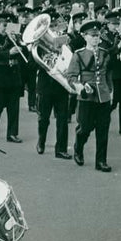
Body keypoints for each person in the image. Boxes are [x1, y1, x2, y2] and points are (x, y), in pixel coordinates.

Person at [66, 19, 114, 172]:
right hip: (86, 98)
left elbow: (107, 73)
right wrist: (81, 86)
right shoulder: (78, 55)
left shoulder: (104, 53)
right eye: (92, 35)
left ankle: (101, 161)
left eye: (97, 35)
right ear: (85, 37)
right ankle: (78, 147)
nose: (95, 38)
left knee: (103, 130)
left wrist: (109, 88)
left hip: (103, 97)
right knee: (85, 128)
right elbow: (71, 77)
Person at [35, 10, 73, 159]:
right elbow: (33, 63)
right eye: (53, 24)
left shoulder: (63, 39)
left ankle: (61, 149)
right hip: (46, 84)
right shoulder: (37, 44)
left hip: (61, 84)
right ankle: (41, 141)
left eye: (56, 23)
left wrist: (66, 47)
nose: (56, 26)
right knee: (44, 117)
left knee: (63, 118)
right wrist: (46, 59)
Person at [0, 12, 24, 142]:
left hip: (13, 74)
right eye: (4, 25)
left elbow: (24, 52)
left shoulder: (14, 37)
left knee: (14, 107)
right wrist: (9, 52)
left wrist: (19, 42)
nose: (6, 28)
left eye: (9, 26)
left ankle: (12, 134)